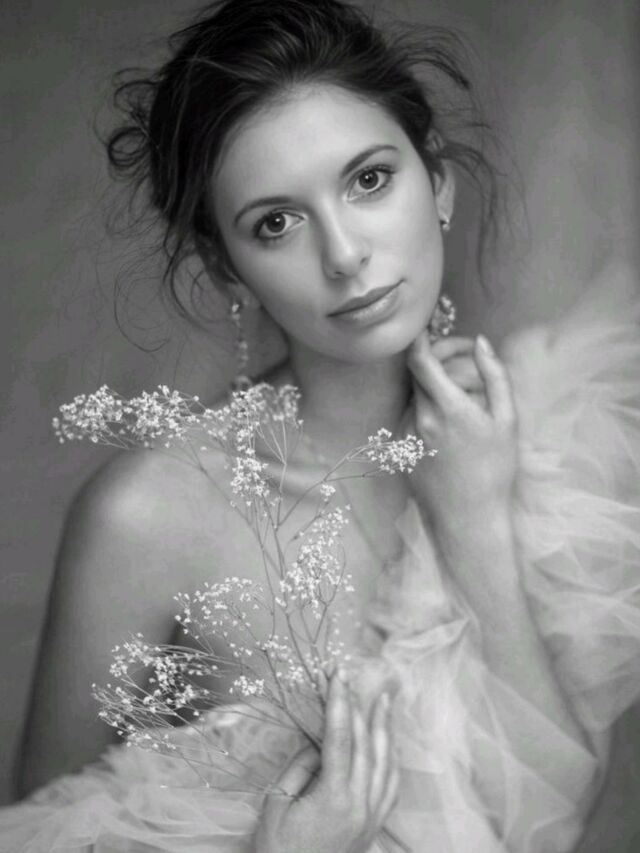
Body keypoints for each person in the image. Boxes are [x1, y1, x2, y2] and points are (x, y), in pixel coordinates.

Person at [3, 0, 640, 851]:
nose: (344, 254)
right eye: (276, 223)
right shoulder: (148, 517)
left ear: (438, 185)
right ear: (227, 267)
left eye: (368, 180)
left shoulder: (541, 432)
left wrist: (476, 521)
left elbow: (558, 817)